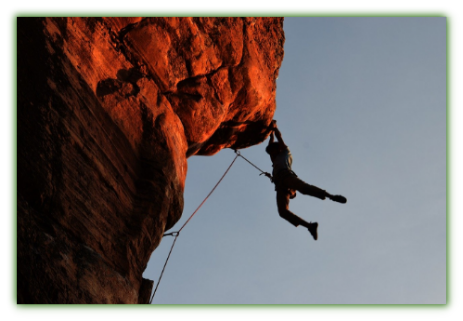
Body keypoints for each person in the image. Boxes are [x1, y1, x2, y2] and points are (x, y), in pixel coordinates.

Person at [265, 120, 347, 240]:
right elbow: (271, 143)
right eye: (270, 152)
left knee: (304, 188)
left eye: (272, 151)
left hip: (287, 177)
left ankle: (330, 196)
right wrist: (271, 133)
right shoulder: (275, 159)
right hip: (280, 185)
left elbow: (279, 138)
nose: (271, 154)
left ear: (278, 149)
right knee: (283, 212)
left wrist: (275, 128)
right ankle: (309, 226)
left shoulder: (285, 153)